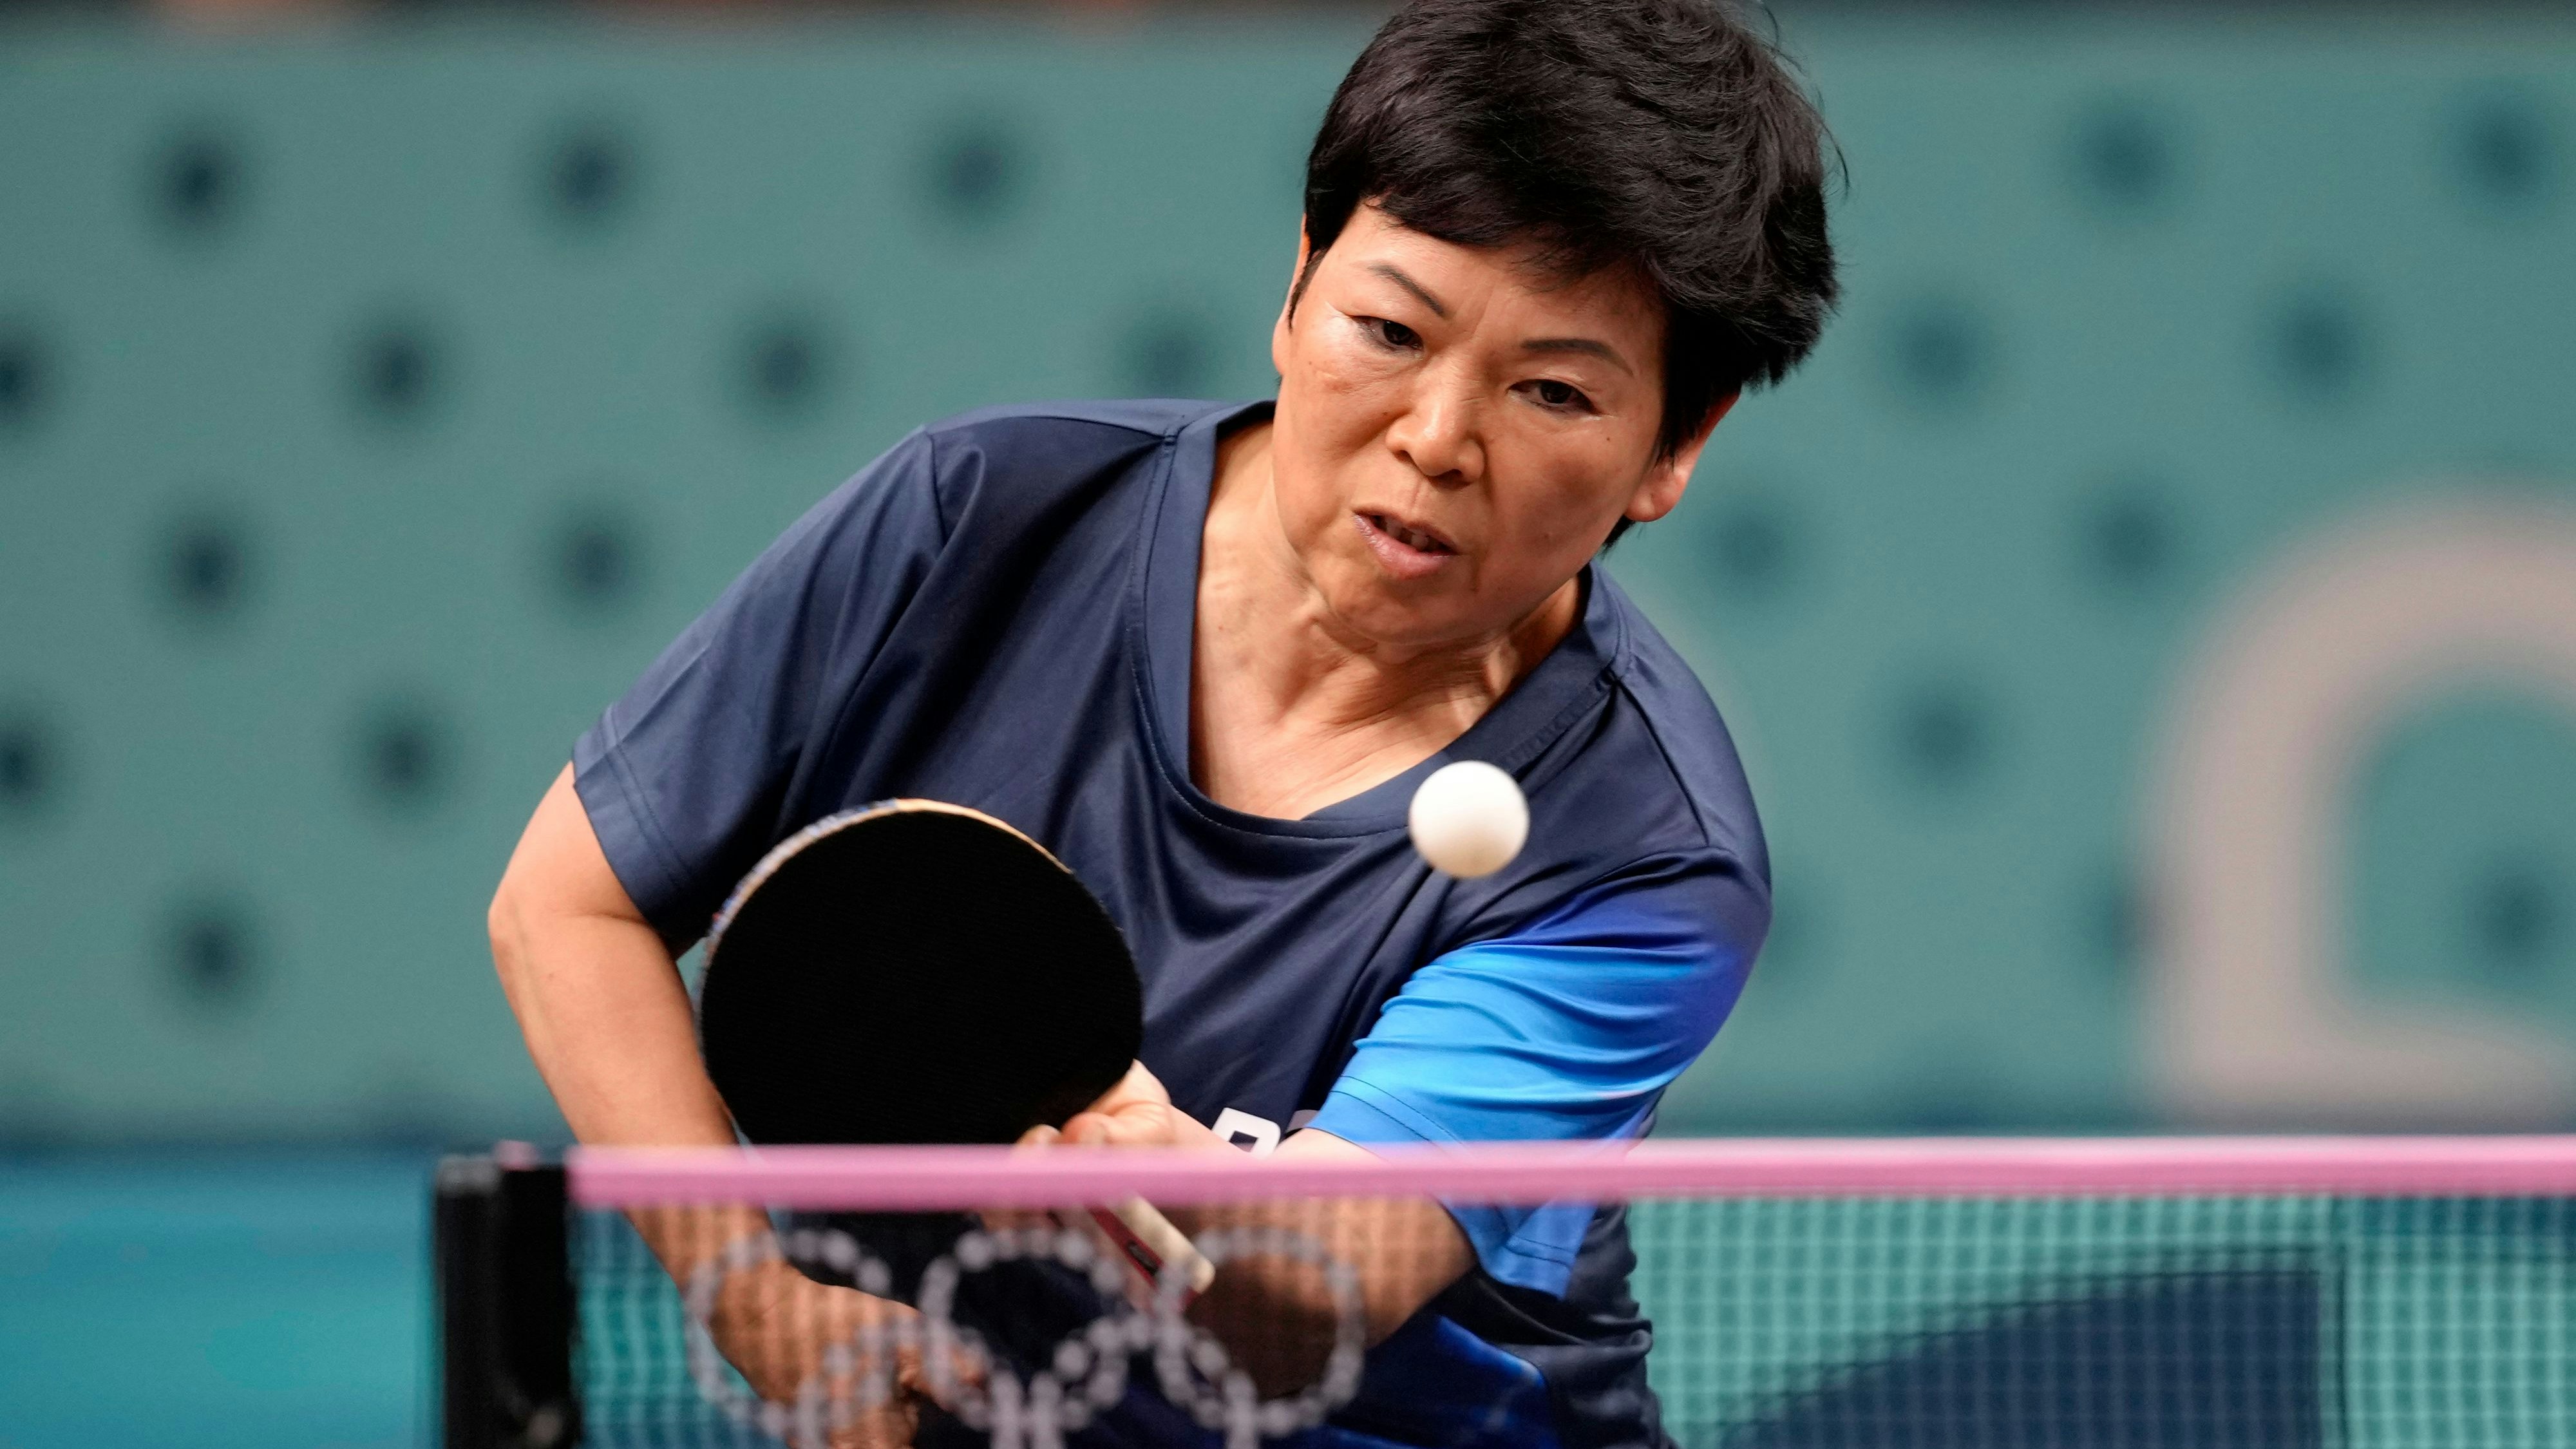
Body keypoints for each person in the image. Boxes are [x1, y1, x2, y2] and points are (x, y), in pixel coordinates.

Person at [488, 0, 1837, 1443]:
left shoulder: (1644, 854)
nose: (1438, 437)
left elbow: (1299, 1315)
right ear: (1298, 283)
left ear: (1673, 447)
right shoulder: (974, 524)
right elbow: (569, 907)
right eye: (1390, 330)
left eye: (1553, 390)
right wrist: (755, 1299)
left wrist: (1181, 1188)